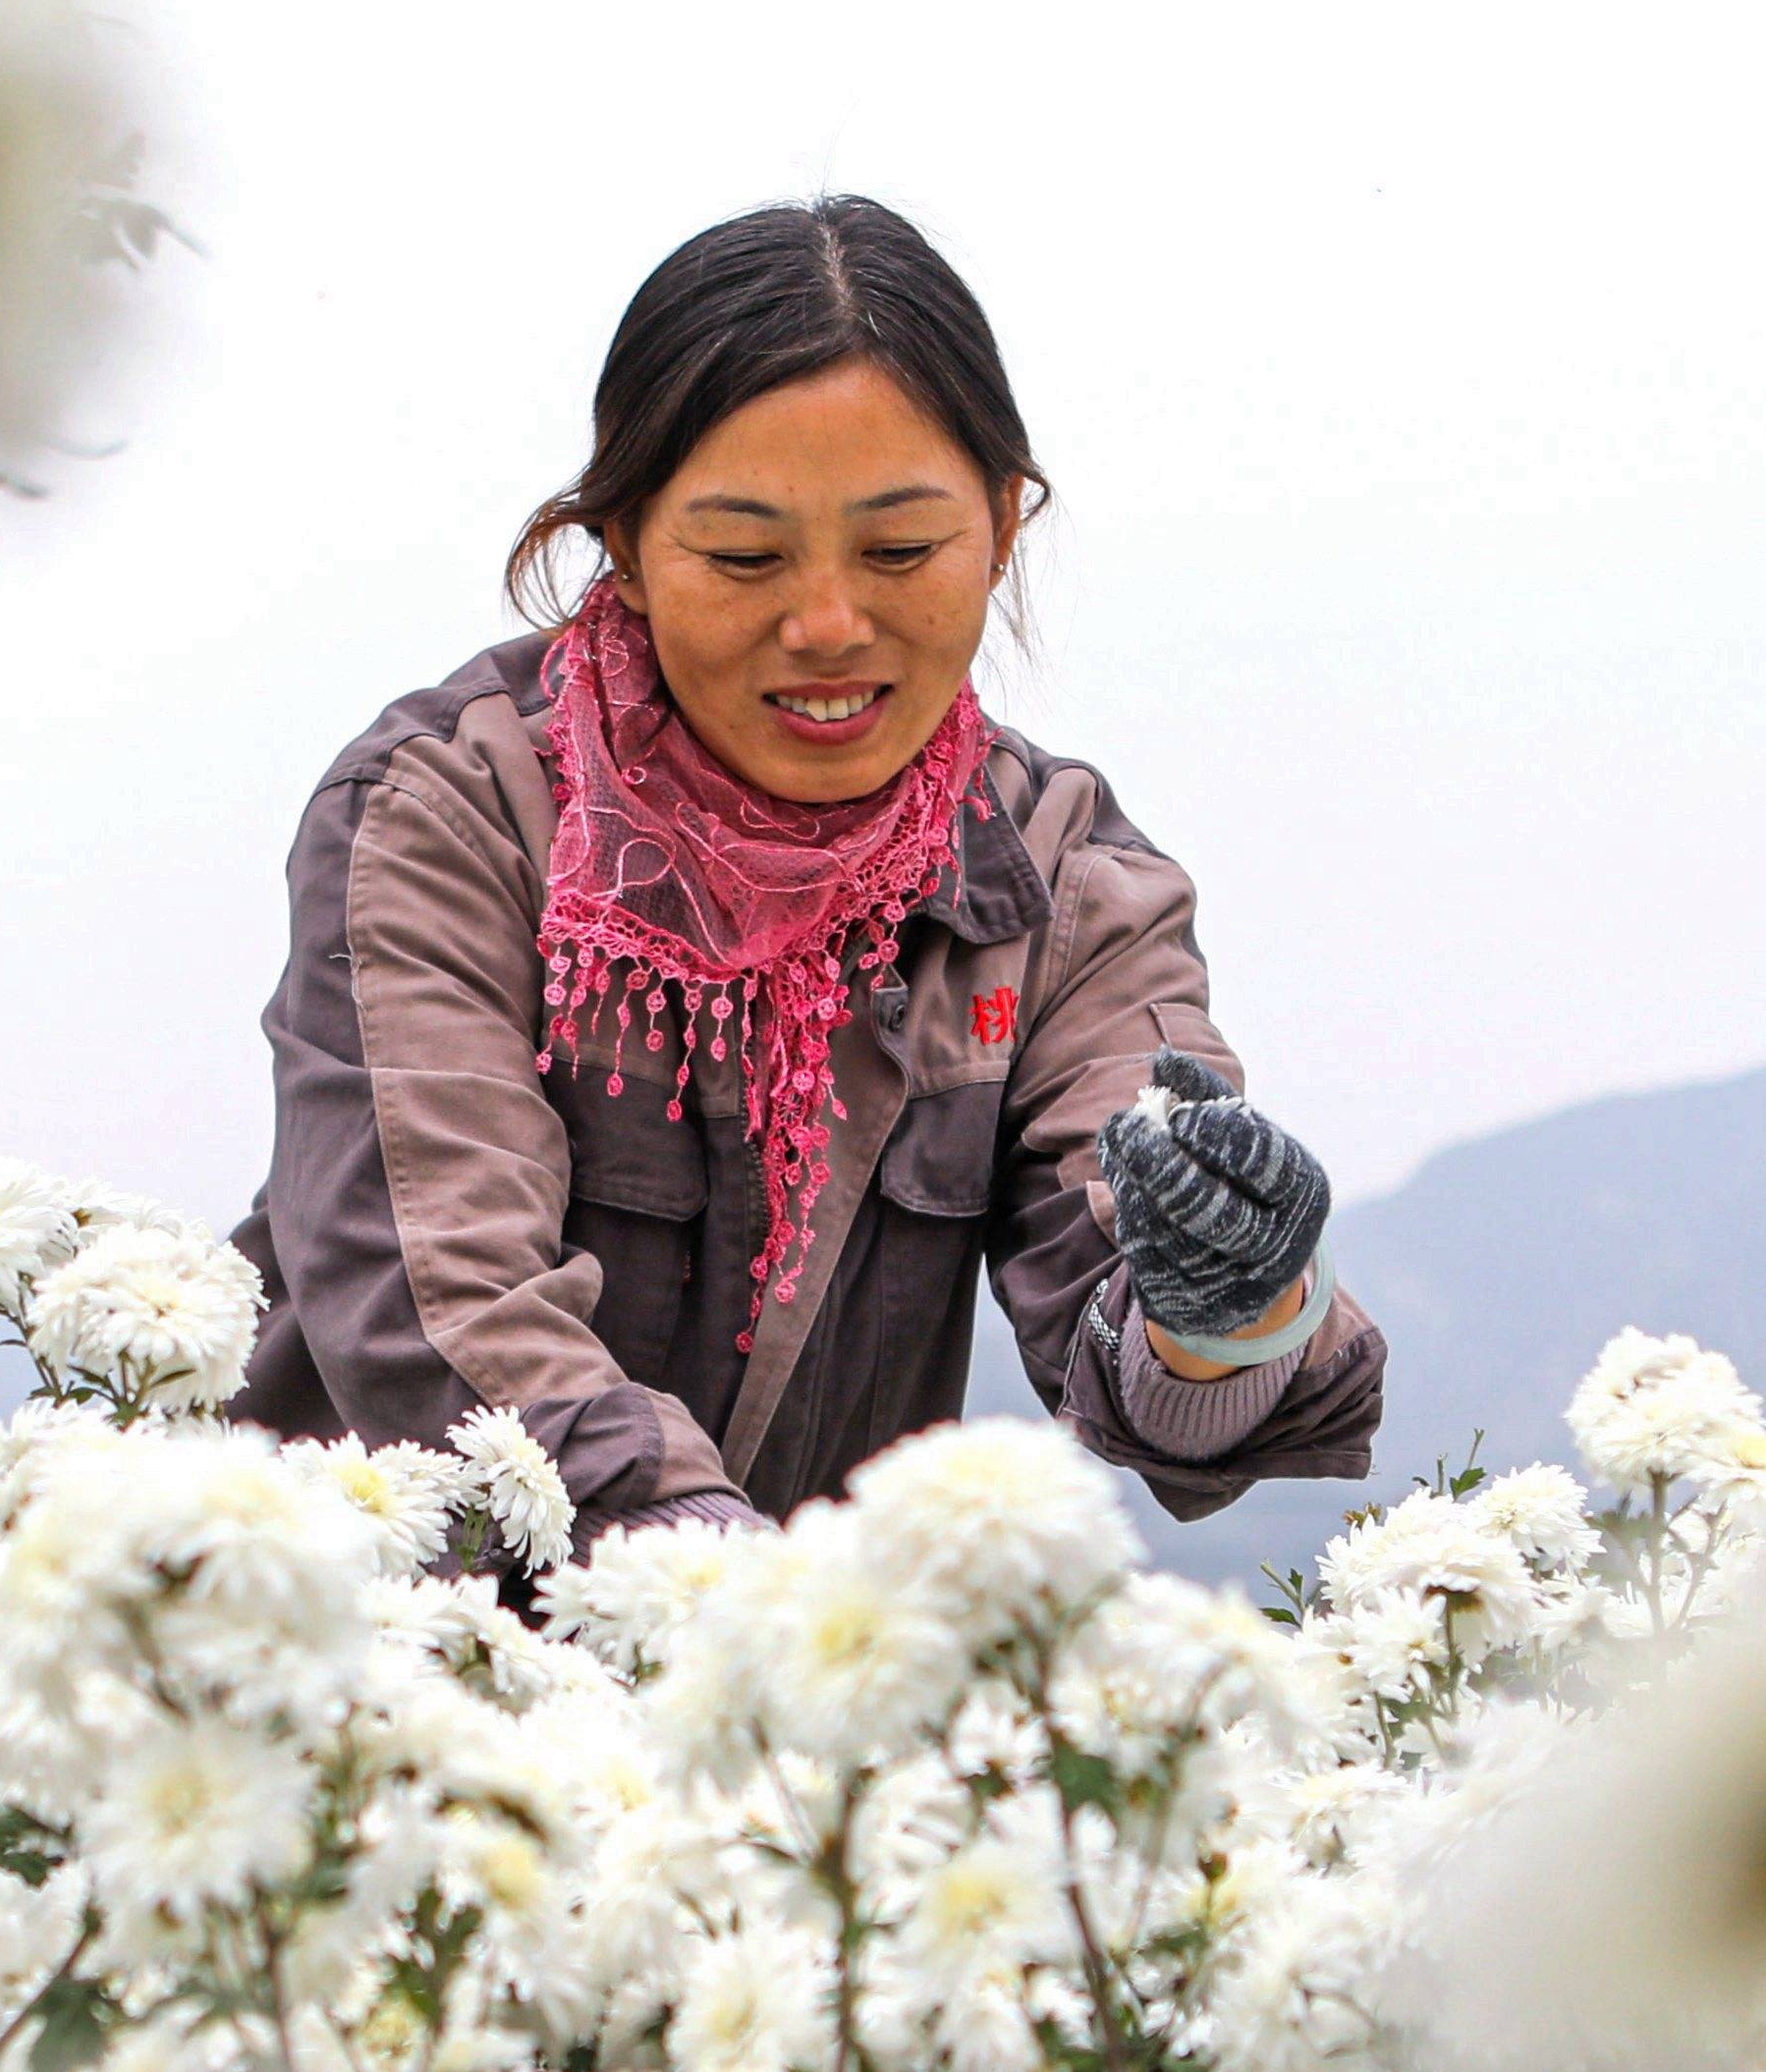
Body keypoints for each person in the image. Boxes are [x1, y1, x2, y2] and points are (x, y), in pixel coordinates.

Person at [231, 196, 1382, 1542]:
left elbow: (1140, 1358)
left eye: (900, 550)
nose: (828, 624)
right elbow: (443, 1314)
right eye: (742, 555)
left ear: (1004, 525)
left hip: (779, 1704)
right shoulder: (454, 818)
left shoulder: (1058, 881)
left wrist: (1227, 1306)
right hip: (370, 1685)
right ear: (623, 546)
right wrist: (742, 1615)